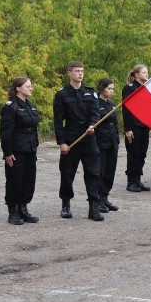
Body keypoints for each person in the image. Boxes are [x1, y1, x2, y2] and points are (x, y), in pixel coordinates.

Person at [53, 61, 104, 221]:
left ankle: (94, 207)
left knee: (93, 173)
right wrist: (62, 142)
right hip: (71, 138)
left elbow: (96, 113)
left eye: (82, 71)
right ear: (69, 73)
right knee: (67, 173)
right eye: (77, 71)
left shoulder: (90, 93)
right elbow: (58, 121)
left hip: (89, 138)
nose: (80, 74)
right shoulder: (62, 94)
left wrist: (92, 125)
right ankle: (66, 205)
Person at [0, 77, 40, 225]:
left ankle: (23, 209)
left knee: (29, 180)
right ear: (18, 88)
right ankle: (13, 212)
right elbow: (5, 132)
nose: (31, 88)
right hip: (16, 150)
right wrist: (7, 153)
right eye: (28, 86)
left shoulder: (30, 105)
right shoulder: (11, 107)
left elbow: (34, 128)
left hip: (30, 148)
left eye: (31, 86)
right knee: (15, 181)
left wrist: (35, 145)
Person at [121, 64, 151, 193]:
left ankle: (138, 179)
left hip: (144, 125)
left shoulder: (146, 88)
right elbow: (126, 109)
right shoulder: (130, 88)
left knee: (142, 154)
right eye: (144, 72)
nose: (146, 74)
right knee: (133, 154)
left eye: (147, 72)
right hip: (134, 126)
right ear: (137, 75)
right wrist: (127, 128)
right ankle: (131, 181)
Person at [95, 78, 120, 213]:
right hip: (101, 142)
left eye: (113, 89)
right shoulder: (95, 104)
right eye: (109, 88)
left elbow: (115, 125)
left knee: (110, 172)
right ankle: (97, 199)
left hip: (112, 142)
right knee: (101, 171)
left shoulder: (111, 104)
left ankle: (105, 197)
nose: (111, 91)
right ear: (102, 89)